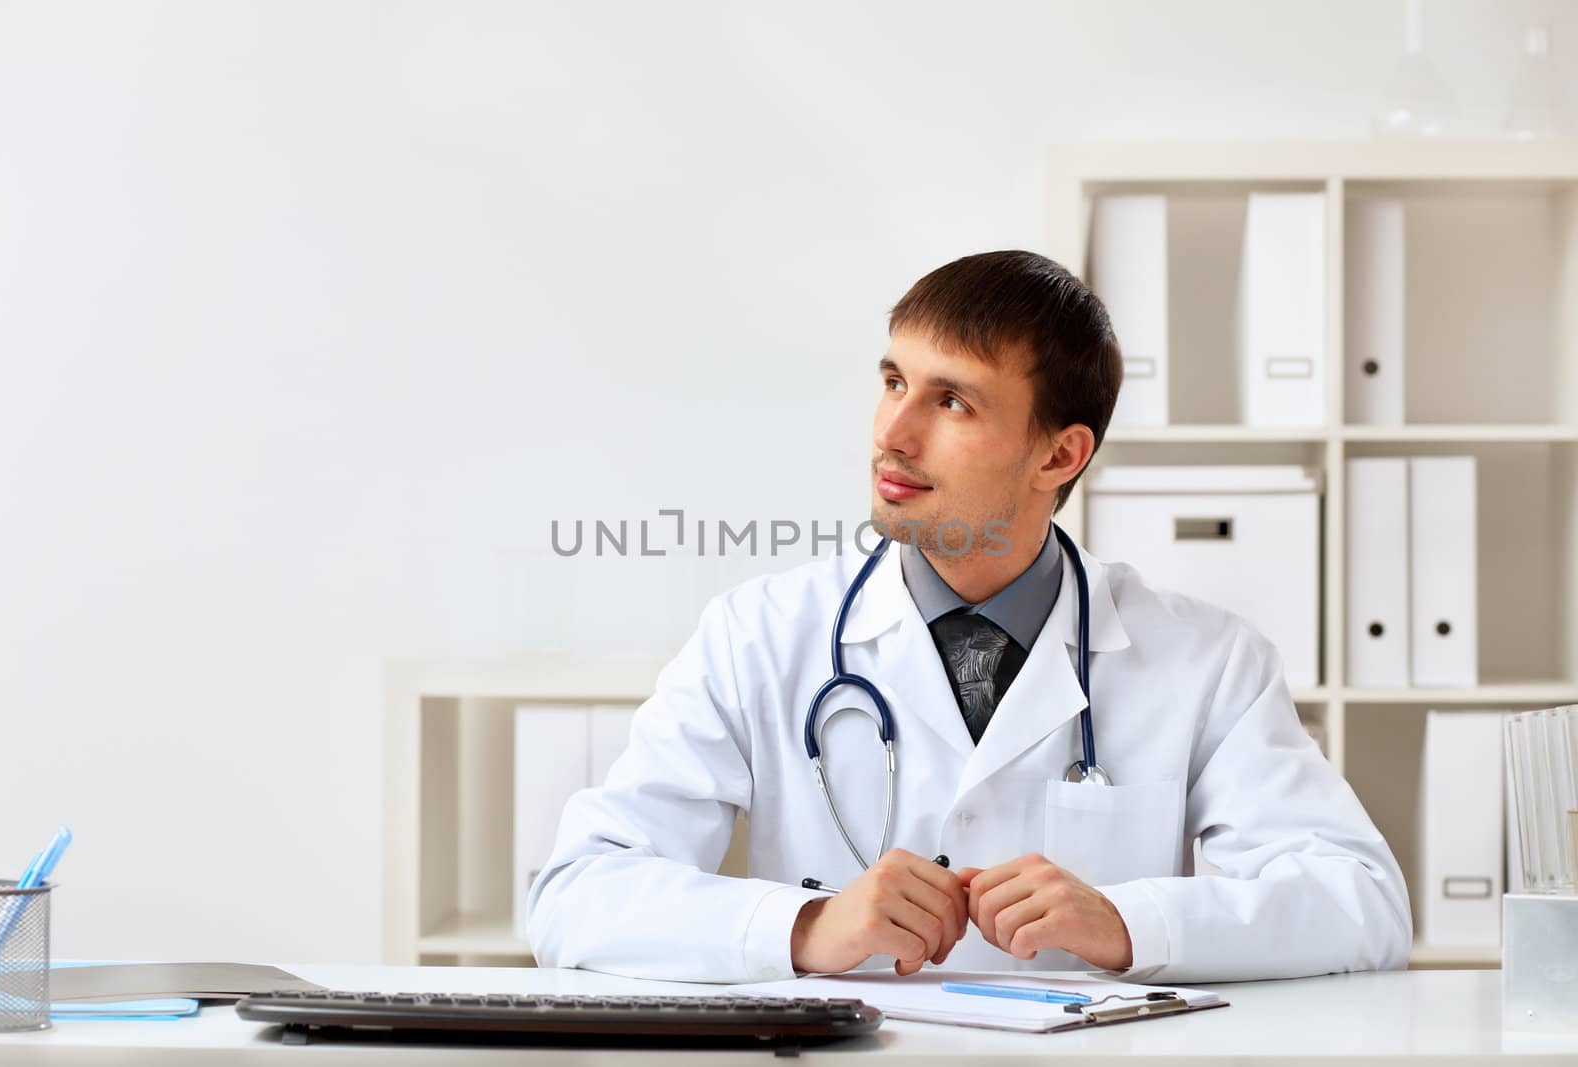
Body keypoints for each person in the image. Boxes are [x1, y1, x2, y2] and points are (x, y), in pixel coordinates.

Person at [528, 250, 1411, 983]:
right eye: (893, 381)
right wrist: (804, 927)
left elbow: (1364, 903)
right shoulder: (759, 632)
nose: (893, 433)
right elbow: (575, 895)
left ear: (1060, 454)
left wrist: (1131, 921)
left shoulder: (1207, 659)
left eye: (952, 401)